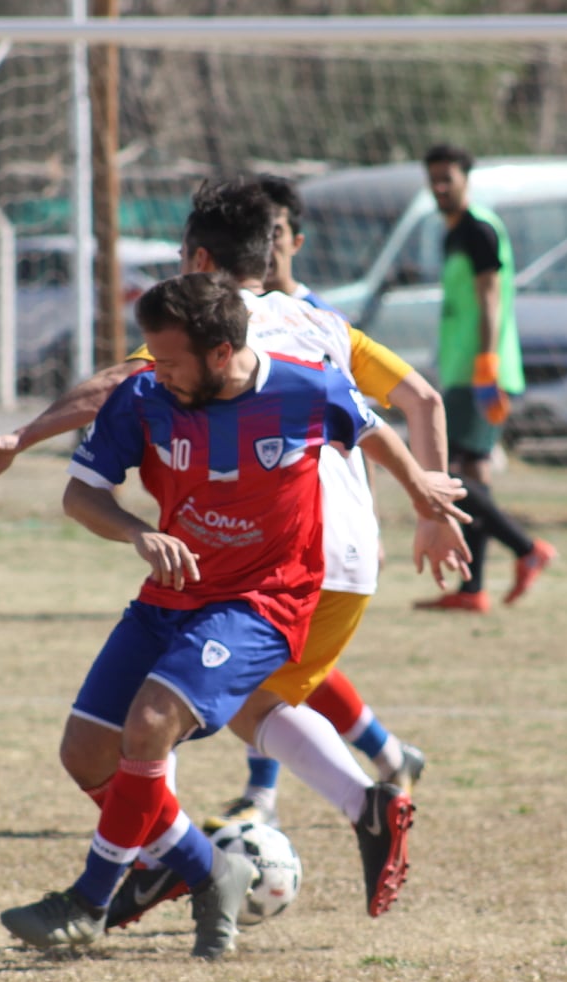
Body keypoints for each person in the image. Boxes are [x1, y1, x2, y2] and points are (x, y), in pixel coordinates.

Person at [0, 272, 413, 958]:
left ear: (221, 353)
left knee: (152, 721)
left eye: (169, 359)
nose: (154, 371)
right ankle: (208, 869)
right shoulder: (145, 395)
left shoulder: (305, 386)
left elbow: (375, 427)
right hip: (170, 595)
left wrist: (425, 495)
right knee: (85, 753)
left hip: (262, 602)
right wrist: (136, 532)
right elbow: (81, 494)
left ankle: (88, 902)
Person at [193, 172, 434, 831]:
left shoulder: (320, 322)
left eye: (276, 233)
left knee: (254, 676)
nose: (267, 247)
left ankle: (275, 800)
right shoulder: (226, 320)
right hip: (279, 535)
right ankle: (383, 757)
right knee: (282, 670)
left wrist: (392, 515)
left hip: (311, 538)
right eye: (258, 233)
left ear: (294, 241)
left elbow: (368, 430)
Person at [417, 143, 555, 614]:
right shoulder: (452, 234)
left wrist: (487, 364)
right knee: (471, 475)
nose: (439, 187)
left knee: (455, 475)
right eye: (433, 179)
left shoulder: (478, 230)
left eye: (447, 178)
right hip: (461, 369)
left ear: (465, 179)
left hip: (483, 370)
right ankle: (472, 589)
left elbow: (491, 296)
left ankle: (526, 548)